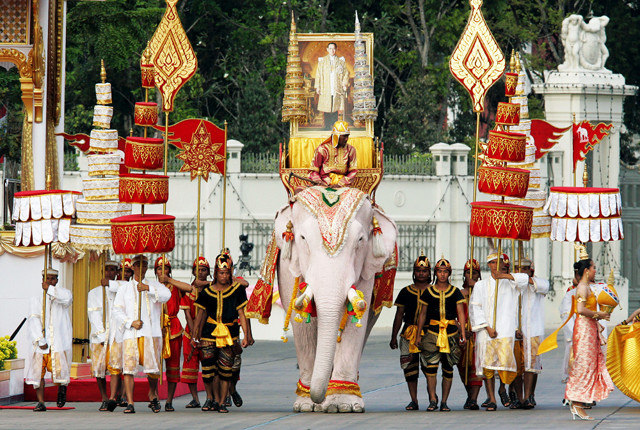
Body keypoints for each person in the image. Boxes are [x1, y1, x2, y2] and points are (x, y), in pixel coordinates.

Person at [192, 252, 254, 413]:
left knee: (225, 369)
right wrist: (195, 334)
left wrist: (246, 335)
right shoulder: (207, 291)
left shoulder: (237, 291)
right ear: (216, 273)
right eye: (221, 273)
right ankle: (210, 398)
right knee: (207, 369)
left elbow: (242, 313)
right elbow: (201, 314)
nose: (224, 276)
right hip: (208, 333)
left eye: (227, 273)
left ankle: (221, 401)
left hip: (229, 333)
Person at [469, 253, 528, 411]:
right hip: (487, 331)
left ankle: (502, 388)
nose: (496, 265)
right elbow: (475, 307)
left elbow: (525, 279)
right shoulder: (480, 285)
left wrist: (504, 276)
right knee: (488, 366)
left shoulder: (510, 283)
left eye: (499, 262)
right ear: (488, 265)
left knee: (504, 364)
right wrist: (487, 327)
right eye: (493, 262)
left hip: (505, 330)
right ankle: (492, 398)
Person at [113, 254, 171, 413]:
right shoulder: (124, 288)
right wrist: (130, 322)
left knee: (153, 370)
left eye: (144, 264)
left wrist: (148, 289)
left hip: (151, 333)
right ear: (132, 267)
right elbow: (117, 310)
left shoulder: (154, 285)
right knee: (129, 369)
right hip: (131, 333)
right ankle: (130, 402)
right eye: (138, 265)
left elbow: (167, 295)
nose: (141, 268)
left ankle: (152, 393)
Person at [565, 254, 614, 420]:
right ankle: (576, 403)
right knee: (583, 364)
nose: (595, 271)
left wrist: (599, 317)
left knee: (590, 364)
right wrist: (597, 314)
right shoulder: (582, 288)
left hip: (590, 328)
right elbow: (580, 310)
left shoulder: (588, 287)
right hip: (584, 330)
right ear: (586, 270)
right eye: (593, 268)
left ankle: (579, 402)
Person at [415, 256, 466, 412]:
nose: (442, 275)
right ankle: (432, 398)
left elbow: (460, 314)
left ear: (449, 273)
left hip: (450, 333)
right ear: (435, 273)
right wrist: (418, 335)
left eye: (445, 272)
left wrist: (462, 333)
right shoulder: (429, 292)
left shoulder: (455, 292)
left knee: (448, 368)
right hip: (432, 333)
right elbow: (422, 314)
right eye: (440, 271)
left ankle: (444, 401)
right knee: (431, 368)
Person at [25, 268, 73, 412]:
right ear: (42, 280)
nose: (49, 281)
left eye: (52, 279)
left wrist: (50, 289)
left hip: (58, 341)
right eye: (47, 278)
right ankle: (41, 402)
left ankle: (62, 389)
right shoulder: (36, 299)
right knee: (38, 372)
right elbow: (33, 319)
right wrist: (39, 338)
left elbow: (67, 299)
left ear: (57, 280)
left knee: (60, 372)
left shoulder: (62, 294)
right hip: (42, 342)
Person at [389, 252, 431, 411]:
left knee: (430, 369)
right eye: (419, 271)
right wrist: (393, 336)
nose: (421, 273)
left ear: (429, 273)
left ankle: (432, 399)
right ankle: (414, 400)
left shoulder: (434, 291)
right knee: (410, 369)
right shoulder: (406, 292)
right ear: (414, 272)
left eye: (424, 271)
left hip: (429, 334)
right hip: (408, 334)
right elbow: (399, 315)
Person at [154, 256, 195, 412]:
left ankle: (169, 400)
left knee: (172, 367)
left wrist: (169, 280)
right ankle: (155, 398)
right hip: (157, 328)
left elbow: (189, 288)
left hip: (174, 328)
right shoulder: (153, 286)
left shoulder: (175, 286)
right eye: (159, 268)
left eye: (165, 268)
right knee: (155, 367)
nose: (162, 271)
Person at [87, 259, 123, 411]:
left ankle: (113, 398)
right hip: (99, 336)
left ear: (117, 272)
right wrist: (101, 335)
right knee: (99, 369)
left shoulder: (120, 289)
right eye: (107, 269)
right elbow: (93, 315)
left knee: (115, 367)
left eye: (113, 270)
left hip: (116, 335)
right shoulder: (94, 292)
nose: (110, 272)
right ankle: (103, 397)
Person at [180, 256, 212, 410]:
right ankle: (195, 398)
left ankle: (210, 398)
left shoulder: (212, 290)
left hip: (207, 333)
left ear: (208, 272)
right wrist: (194, 334)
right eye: (198, 270)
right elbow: (187, 314)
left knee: (208, 367)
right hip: (190, 333)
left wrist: (200, 333)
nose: (200, 272)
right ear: (193, 271)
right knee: (190, 367)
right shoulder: (188, 291)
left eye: (204, 270)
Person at [518, 258, 549, 409]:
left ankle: (529, 394)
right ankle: (519, 396)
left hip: (534, 330)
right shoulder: (514, 285)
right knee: (519, 366)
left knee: (532, 365)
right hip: (517, 330)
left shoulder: (539, 283)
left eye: (524, 269)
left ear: (531, 271)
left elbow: (544, 287)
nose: (520, 272)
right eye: (518, 269)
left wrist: (525, 279)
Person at [457, 259, 483, 410]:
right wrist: (460, 327)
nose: (471, 275)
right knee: (463, 367)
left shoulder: (484, 292)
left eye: (475, 272)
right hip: (463, 334)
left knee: (477, 366)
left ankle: (474, 398)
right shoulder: (459, 294)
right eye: (468, 272)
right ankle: (469, 396)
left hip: (478, 333)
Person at [309, 120, 357, 188]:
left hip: (343, 186)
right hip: (323, 185)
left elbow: (353, 171)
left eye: (347, 136)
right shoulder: (322, 149)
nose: (346, 139)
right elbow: (314, 171)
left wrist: (340, 184)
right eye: (344, 136)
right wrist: (319, 182)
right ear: (336, 136)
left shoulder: (351, 150)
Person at [314, 42, 350, 124]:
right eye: (330, 48)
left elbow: (346, 74)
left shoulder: (341, 61)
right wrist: (318, 87)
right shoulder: (322, 61)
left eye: (333, 48)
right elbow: (318, 74)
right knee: (327, 106)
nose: (332, 50)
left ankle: (333, 126)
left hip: (336, 87)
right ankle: (327, 126)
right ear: (327, 50)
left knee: (335, 106)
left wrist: (344, 84)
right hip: (326, 86)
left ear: (336, 49)